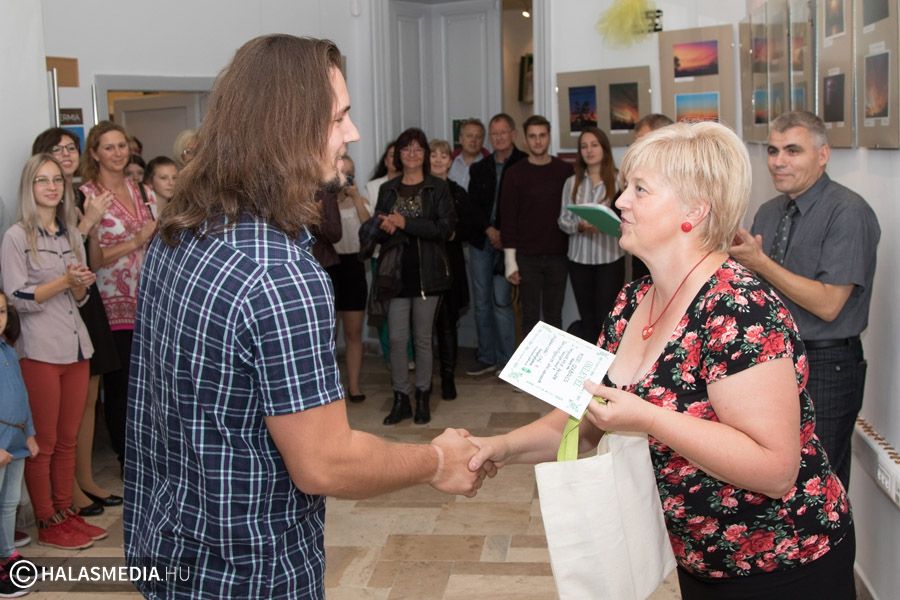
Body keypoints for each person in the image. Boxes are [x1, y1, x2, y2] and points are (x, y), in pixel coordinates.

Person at [125, 35, 490, 599]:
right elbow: (325, 463)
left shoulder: (179, 232)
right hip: (249, 574)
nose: (353, 133)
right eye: (339, 117)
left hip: (167, 551)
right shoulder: (280, 274)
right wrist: (437, 460)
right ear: (287, 127)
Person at [468, 122, 855, 599]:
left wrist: (649, 418)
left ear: (694, 210)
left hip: (783, 563)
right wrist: (501, 448)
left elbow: (775, 470)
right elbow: (584, 420)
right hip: (698, 560)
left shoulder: (738, 308)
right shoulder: (633, 300)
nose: (620, 202)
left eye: (640, 189)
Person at [730, 110, 880, 490]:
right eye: (773, 150)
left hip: (827, 366)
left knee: (817, 487)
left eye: (792, 151)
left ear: (823, 155)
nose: (778, 161)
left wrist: (760, 263)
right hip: (775, 361)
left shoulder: (848, 212)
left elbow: (829, 305)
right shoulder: (769, 212)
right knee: (777, 482)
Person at [1, 155, 107, 550]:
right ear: (29, 188)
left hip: (75, 345)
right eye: (42, 180)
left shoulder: (70, 235)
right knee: (43, 441)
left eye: (57, 181)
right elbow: (15, 298)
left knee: (67, 438)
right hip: (40, 349)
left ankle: (65, 511)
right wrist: (63, 282)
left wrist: (78, 285)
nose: (51, 187)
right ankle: (46, 518)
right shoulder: (17, 236)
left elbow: (80, 299)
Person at [31, 128, 121, 517]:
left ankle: (84, 479)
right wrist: (88, 225)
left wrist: (92, 225)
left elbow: (88, 257)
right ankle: (67, 491)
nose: (66, 154)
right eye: (57, 149)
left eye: (71, 148)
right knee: (67, 406)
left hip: (85, 294)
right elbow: (58, 257)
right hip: (59, 299)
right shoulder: (42, 202)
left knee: (89, 395)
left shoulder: (81, 194)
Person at [80, 121, 157, 472]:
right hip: (110, 306)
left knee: (151, 384)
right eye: (108, 147)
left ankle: (152, 453)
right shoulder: (86, 196)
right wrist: (135, 241)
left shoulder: (142, 190)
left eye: (121, 145)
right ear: (95, 154)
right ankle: (128, 459)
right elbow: (92, 260)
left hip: (148, 302)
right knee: (121, 386)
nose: (117, 153)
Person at [374, 128, 455, 425]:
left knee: (422, 340)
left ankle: (422, 397)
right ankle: (400, 398)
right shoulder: (388, 189)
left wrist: (405, 223)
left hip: (428, 275)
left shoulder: (437, 188)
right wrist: (384, 227)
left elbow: (444, 228)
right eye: (406, 148)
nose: (412, 154)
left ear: (425, 154)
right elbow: (377, 231)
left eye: (418, 148)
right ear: (398, 154)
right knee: (397, 339)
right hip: (394, 275)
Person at [464, 113, 527, 376]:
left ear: (513, 134)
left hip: (509, 243)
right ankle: (486, 356)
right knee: (481, 302)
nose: (499, 137)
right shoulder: (479, 168)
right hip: (481, 240)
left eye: (503, 132)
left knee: (502, 301)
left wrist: (505, 234)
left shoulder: (524, 164)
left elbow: (525, 208)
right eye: (494, 133)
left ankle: (507, 361)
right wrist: (489, 230)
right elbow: (471, 206)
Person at [500, 114, 574, 337]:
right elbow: (508, 219)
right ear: (525, 140)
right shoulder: (514, 174)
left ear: (549, 137)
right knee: (529, 317)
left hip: (558, 255)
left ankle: (555, 362)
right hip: (526, 257)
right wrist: (510, 262)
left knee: (554, 317)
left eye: (542, 135)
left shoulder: (565, 171)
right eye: (532, 136)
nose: (538, 141)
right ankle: (529, 362)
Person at [557, 127, 624, 343]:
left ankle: (608, 362)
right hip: (579, 259)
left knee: (607, 316)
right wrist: (580, 226)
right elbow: (563, 221)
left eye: (594, 145)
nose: (589, 150)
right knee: (587, 317)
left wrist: (605, 224)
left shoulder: (619, 180)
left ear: (604, 148)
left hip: (610, 259)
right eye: (584, 146)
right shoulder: (571, 182)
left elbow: (627, 221)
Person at [430, 139, 481, 399]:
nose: (438, 160)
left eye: (443, 156)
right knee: (423, 326)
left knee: (447, 322)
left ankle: (448, 377)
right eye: (433, 155)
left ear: (450, 161)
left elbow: (470, 227)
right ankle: (425, 379)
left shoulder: (458, 191)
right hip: (425, 263)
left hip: (450, 263)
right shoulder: (422, 189)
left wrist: (451, 234)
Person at [0, 291, 38, 595]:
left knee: (9, 501)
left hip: (15, 438)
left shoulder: (8, 349)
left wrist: (30, 433)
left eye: (1, 312)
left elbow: (21, 394)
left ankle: (8, 553)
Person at [326, 155, 370, 404]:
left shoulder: (359, 200)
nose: (347, 178)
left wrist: (355, 198)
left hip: (354, 267)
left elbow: (369, 228)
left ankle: (354, 386)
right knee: (328, 334)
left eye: (351, 173)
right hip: (329, 267)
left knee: (354, 332)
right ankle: (330, 388)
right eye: (343, 173)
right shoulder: (324, 200)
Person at [447, 118, 485, 190]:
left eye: (478, 137)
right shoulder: (449, 162)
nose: (473, 140)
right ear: (460, 139)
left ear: (482, 141)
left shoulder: (488, 166)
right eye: (469, 136)